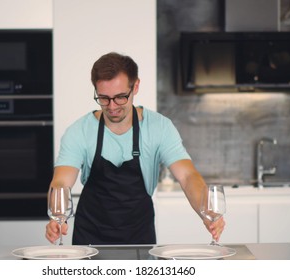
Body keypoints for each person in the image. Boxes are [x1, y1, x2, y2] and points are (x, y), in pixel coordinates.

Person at [45, 52, 225, 245]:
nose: (112, 106)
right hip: (90, 236)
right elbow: (61, 182)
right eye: (103, 98)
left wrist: (206, 210)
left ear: (135, 86)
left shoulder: (159, 127)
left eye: (120, 97)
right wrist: (57, 215)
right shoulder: (79, 131)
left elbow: (188, 176)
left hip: (139, 236)